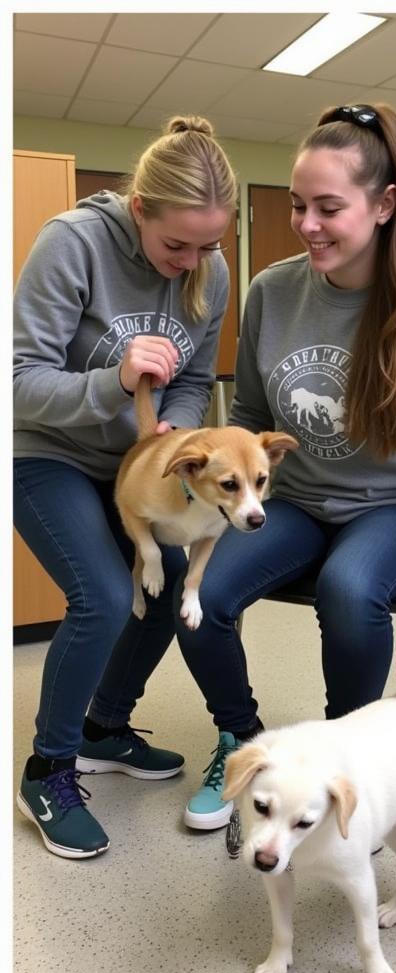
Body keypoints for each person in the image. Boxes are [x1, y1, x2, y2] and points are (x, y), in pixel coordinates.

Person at [175, 103, 396, 830]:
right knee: (198, 596)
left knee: (349, 591)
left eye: (328, 207)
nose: (307, 224)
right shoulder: (270, 292)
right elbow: (254, 428)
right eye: (297, 206)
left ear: (385, 205)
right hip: (296, 502)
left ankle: (345, 766)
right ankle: (243, 740)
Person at [13, 115, 236, 858]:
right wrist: (113, 380)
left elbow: (196, 378)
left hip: (133, 465)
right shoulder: (72, 243)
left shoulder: (211, 269)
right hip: (44, 452)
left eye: (209, 246)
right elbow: (19, 383)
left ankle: (105, 728)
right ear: (139, 207)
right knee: (105, 597)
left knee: (169, 588)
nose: (191, 262)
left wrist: (171, 430)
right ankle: (49, 768)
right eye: (177, 245)